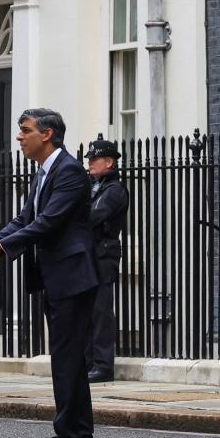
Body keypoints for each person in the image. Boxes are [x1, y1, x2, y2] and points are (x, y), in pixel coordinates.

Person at [0, 109, 99, 438]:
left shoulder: (70, 171)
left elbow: (48, 223)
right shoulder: (44, 173)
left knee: (65, 363)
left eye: (25, 131)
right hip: (58, 279)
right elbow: (25, 218)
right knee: (71, 364)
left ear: (46, 134)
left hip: (72, 279)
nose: (19, 137)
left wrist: (2, 247)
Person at [84, 134, 129, 384]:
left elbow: (93, 215)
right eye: (89, 158)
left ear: (109, 162)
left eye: (95, 158)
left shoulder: (114, 190)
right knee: (87, 309)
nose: (90, 162)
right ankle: (89, 361)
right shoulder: (93, 186)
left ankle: (103, 365)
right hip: (90, 253)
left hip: (104, 253)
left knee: (101, 310)